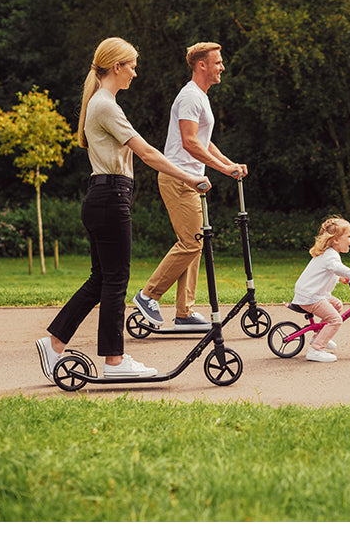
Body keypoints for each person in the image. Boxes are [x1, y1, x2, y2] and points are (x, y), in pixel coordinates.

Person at [35, 37, 211, 383]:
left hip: (104, 196)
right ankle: (114, 361)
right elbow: (147, 153)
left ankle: (54, 343)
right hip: (110, 196)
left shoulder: (102, 103)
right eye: (131, 66)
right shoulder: (105, 105)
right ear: (116, 67)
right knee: (115, 280)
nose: (134, 72)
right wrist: (189, 177)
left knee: (101, 279)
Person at [132, 41, 247, 331]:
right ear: (202, 65)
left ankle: (184, 312)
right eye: (217, 62)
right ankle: (148, 295)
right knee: (191, 243)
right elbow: (189, 142)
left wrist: (229, 164)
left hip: (190, 181)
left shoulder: (200, 97)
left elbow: (203, 140)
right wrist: (223, 169)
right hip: (179, 179)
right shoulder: (190, 97)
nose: (222, 67)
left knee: (195, 243)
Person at [291, 217, 350, 363]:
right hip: (310, 297)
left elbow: (326, 273)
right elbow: (336, 268)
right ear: (335, 239)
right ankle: (316, 350)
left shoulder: (330, 254)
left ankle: (319, 336)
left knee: (337, 305)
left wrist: (340, 278)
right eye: (348, 236)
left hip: (313, 294)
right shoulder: (330, 256)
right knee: (336, 320)